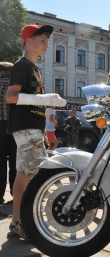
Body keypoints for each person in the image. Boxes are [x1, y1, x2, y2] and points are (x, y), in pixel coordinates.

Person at [6, 24, 66, 238]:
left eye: (47, 41)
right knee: (34, 177)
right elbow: (10, 97)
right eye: (42, 39)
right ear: (28, 41)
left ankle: (18, 223)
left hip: (32, 127)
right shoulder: (22, 66)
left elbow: (36, 103)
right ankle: (28, 224)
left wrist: (48, 127)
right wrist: (43, 99)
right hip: (26, 126)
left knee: (24, 175)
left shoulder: (34, 69)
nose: (46, 44)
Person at [0, 62, 17, 205]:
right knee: (15, 163)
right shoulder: (15, 86)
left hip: (0, 125)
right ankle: (15, 194)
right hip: (14, 127)